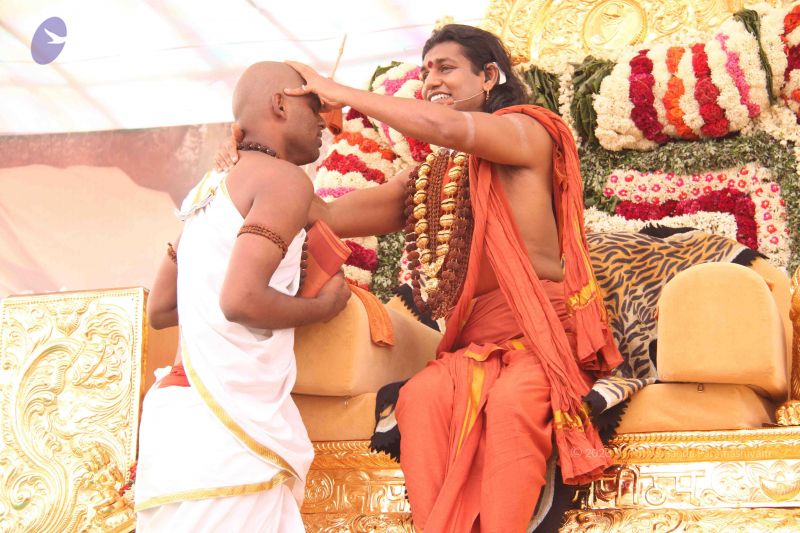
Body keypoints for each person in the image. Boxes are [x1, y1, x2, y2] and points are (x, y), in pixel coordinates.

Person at [218, 24, 622, 532]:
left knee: (515, 399)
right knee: (421, 398)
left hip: (542, 336)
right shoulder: (435, 174)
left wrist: (337, 91)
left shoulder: (528, 131)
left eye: (446, 68)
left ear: (489, 76)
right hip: (473, 343)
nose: (431, 80)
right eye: (426, 70)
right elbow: (324, 214)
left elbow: (451, 129)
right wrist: (253, 159)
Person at [135, 61, 351, 532]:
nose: (324, 121)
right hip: (225, 431)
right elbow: (240, 300)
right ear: (280, 104)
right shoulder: (284, 180)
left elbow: (161, 309)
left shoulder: (208, 189)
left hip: (177, 420)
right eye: (315, 106)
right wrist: (322, 307)